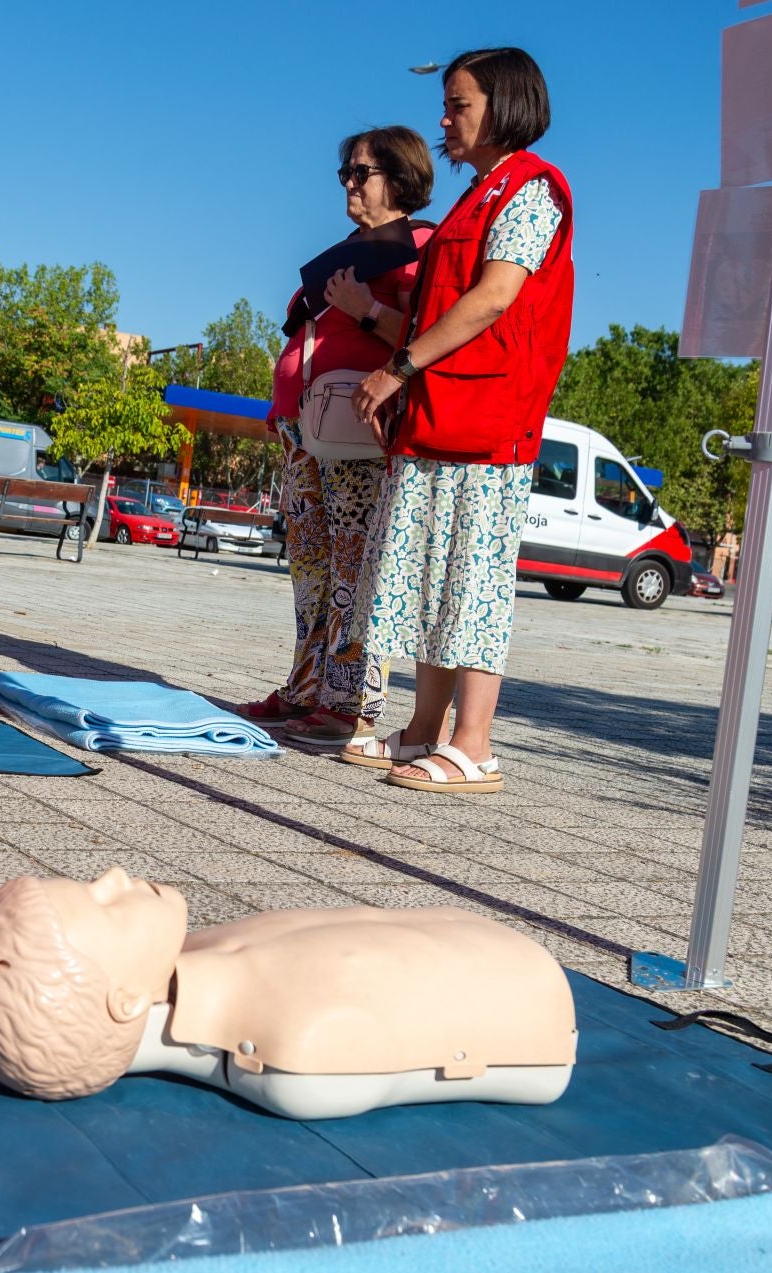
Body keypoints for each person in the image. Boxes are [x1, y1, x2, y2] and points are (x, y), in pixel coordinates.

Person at [349, 49, 575, 794]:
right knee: (433, 579)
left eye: (460, 104)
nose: (444, 119)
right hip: (445, 414)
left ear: (505, 105)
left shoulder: (530, 190)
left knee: (472, 580)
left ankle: (474, 744)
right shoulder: (481, 194)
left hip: (488, 419)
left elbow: (494, 296)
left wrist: (397, 368)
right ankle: (423, 732)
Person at [0, 869, 575, 1121]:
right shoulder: (289, 1048)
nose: (115, 877)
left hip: (487, 950)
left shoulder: (204, 954)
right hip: (525, 993)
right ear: (125, 1002)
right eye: (105, 904)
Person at [235, 127, 433, 772]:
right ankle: (306, 686)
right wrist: (281, 401)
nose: (349, 181)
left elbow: (423, 339)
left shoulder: (417, 249)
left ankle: (353, 703)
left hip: (359, 429)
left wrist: (365, 306)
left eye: (361, 171)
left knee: (355, 567)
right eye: (344, 172)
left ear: (399, 178)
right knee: (312, 567)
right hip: (307, 429)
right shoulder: (350, 248)